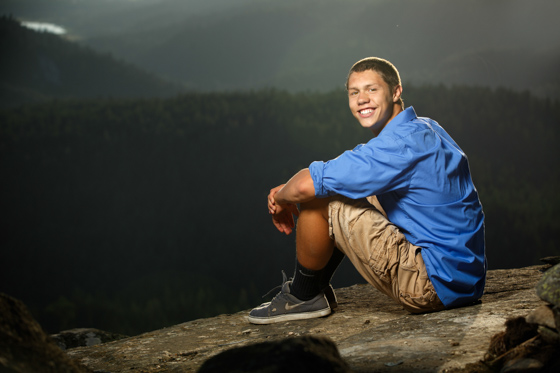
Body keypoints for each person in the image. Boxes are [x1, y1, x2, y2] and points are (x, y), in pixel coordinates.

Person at [248, 57, 486, 324]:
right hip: (465, 281)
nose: (362, 99)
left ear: (396, 91)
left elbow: (306, 185)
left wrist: (279, 197)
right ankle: (315, 289)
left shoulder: (397, 145)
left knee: (325, 198)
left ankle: (302, 297)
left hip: (430, 286)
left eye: (372, 89)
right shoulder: (427, 127)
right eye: (354, 92)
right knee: (344, 187)